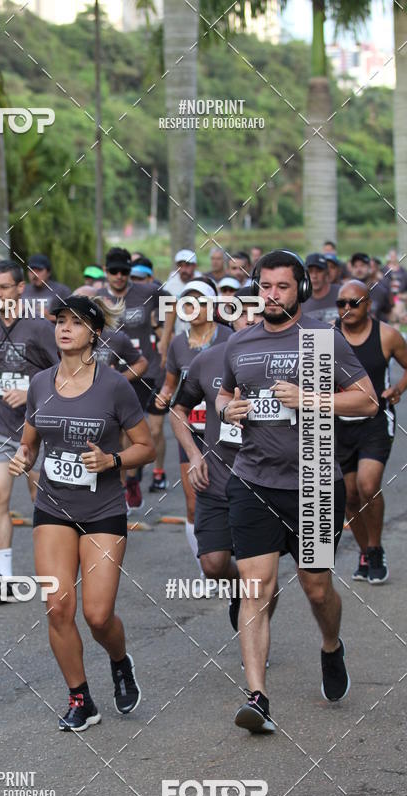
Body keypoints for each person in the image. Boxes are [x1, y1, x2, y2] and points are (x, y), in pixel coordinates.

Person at [216, 250, 377, 734]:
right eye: (265, 286)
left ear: (300, 290)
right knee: (256, 589)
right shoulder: (239, 343)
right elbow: (224, 393)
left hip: (313, 483)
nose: (271, 295)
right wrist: (227, 411)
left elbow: (367, 400)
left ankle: (331, 645)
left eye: (282, 287)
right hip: (252, 481)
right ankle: (258, 696)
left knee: (316, 587)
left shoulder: (323, 339)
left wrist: (310, 398)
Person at [8, 293, 155, 731]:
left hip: (103, 510)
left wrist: (111, 461)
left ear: (94, 332)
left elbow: (144, 447)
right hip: (53, 506)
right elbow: (31, 441)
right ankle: (81, 699)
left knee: (97, 613)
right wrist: (23, 458)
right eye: (59, 321)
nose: (64, 328)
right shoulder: (40, 383)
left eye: (74, 322)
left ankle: (119, 659)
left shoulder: (114, 386)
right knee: (57, 607)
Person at [170, 294, 278, 639]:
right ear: (229, 319)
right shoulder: (208, 361)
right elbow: (178, 410)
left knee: (260, 576)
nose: (248, 320)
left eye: (255, 313)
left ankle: (256, 634)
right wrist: (194, 453)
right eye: (241, 314)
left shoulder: (285, 360)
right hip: (217, 480)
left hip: (266, 483)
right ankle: (241, 594)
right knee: (214, 564)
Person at [0, 260, 59, 598]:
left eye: (4, 287)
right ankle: (5, 579)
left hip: (37, 427)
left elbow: (63, 371)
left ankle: (51, 570)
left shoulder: (39, 328)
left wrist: (31, 392)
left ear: (20, 288)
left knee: (41, 500)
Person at [334, 280, 407, 584]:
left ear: (368, 304)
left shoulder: (387, 335)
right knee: (349, 495)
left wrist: (397, 388)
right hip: (338, 422)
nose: (346, 309)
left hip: (375, 420)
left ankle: (375, 548)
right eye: (341, 304)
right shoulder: (329, 336)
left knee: (367, 484)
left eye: (353, 302)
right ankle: (365, 553)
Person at [159, 281, 231, 566]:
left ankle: (230, 563)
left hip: (224, 434)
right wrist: (163, 396)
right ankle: (207, 567)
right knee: (193, 504)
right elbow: (170, 385)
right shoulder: (178, 343)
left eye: (200, 303)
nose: (194, 309)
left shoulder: (229, 338)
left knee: (232, 502)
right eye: (188, 304)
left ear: (212, 305)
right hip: (191, 432)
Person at [96, 247, 167, 507]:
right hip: (118, 376)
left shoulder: (147, 292)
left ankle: (155, 472)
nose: (118, 276)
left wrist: (165, 342)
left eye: (124, 271)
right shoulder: (99, 298)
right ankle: (128, 482)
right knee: (124, 434)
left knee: (156, 430)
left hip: (148, 370)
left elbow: (171, 306)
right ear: (106, 272)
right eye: (113, 271)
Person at [350, 253, 391, 322]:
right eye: (355, 266)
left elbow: (388, 313)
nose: (359, 269)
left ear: (370, 268)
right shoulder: (345, 292)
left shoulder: (381, 291)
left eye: (362, 266)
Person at [301, 253, 340, 323]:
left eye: (319, 271)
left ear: (326, 273)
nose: (314, 276)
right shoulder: (300, 300)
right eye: (310, 271)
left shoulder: (341, 293)